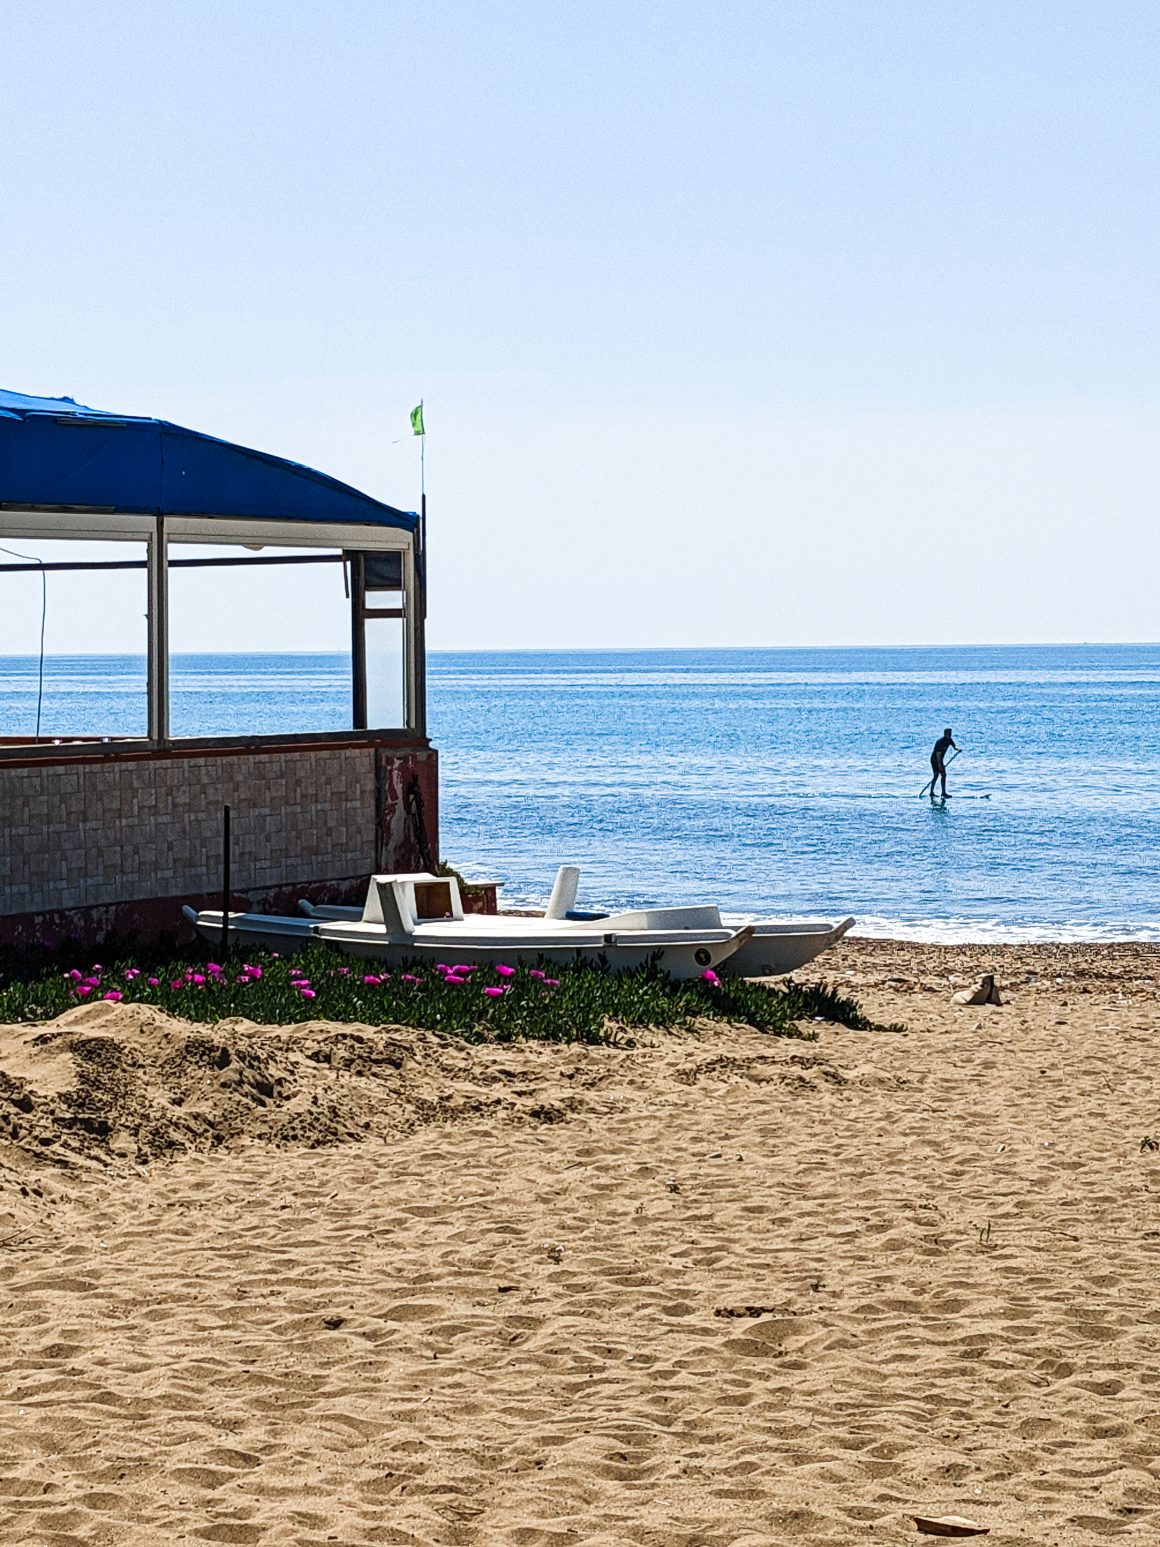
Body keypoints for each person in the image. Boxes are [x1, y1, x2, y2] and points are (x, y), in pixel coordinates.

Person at [929, 727, 958, 798]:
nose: (950, 735)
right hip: (934, 760)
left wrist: (956, 749)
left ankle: (943, 793)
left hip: (940, 759)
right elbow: (938, 755)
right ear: (945, 734)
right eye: (948, 734)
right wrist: (940, 765)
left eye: (951, 733)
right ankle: (932, 792)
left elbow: (953, 745)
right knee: (936, 775)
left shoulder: (949, 740)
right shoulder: (940, 742)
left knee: (943, 775)